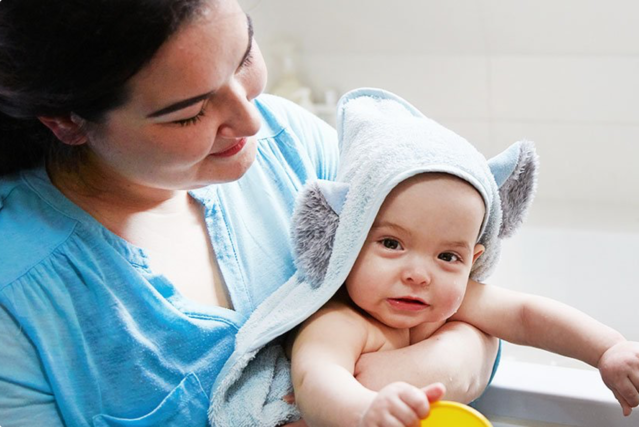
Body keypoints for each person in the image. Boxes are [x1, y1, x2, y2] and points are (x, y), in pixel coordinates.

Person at [0, 1, 499, 425]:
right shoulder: (21, 293)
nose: (251, 119)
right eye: (190, 113)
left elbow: (478, 321)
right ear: (66, 122)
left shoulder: (297, 147)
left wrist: (341, 389)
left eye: (243, 58)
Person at [288, 88, 639, 427]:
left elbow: (526, 315)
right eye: (392, 244)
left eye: (447, 255)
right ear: (347, 241)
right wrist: (364, 411)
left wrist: (607, 349)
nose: (419, 274)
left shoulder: (446, 300)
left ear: (473, 260)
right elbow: (315, 379)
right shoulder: (340, 320)